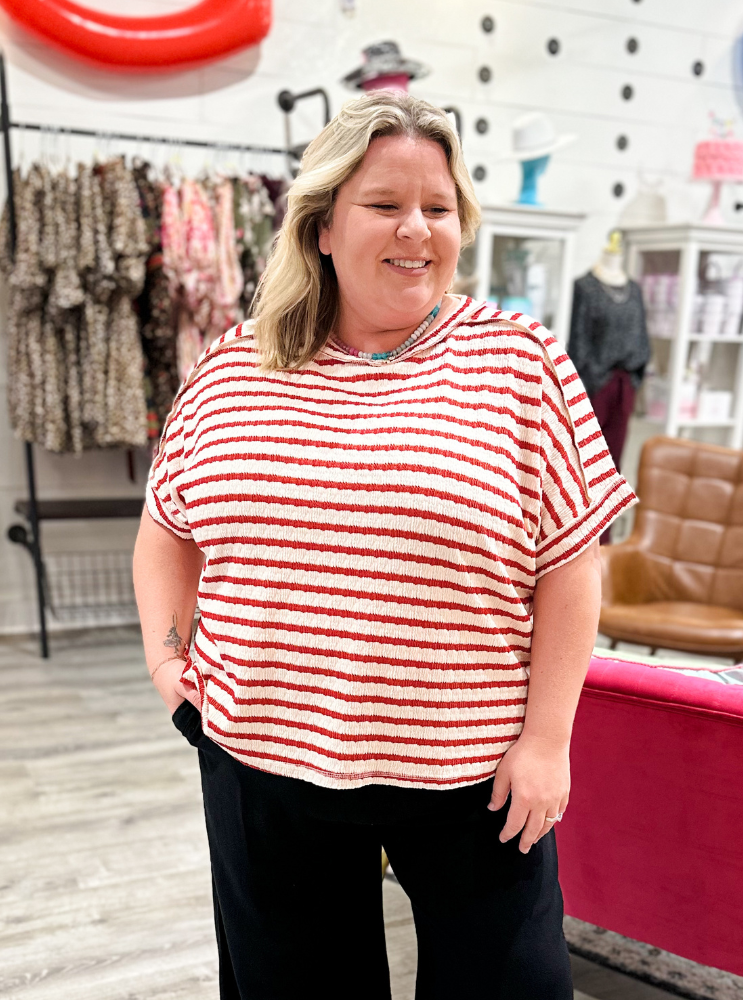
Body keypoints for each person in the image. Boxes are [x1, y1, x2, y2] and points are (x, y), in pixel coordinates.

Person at [133, 91, 637, 1000]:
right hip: (263, 760)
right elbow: (165, 528)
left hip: (472, 774)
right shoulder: (234, 366)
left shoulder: (519, 362)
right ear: (323, 225)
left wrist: (547, 742)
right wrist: (170, 664)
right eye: (385, 204)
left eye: (439, 207)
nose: (417, 229)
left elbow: (571, 560)